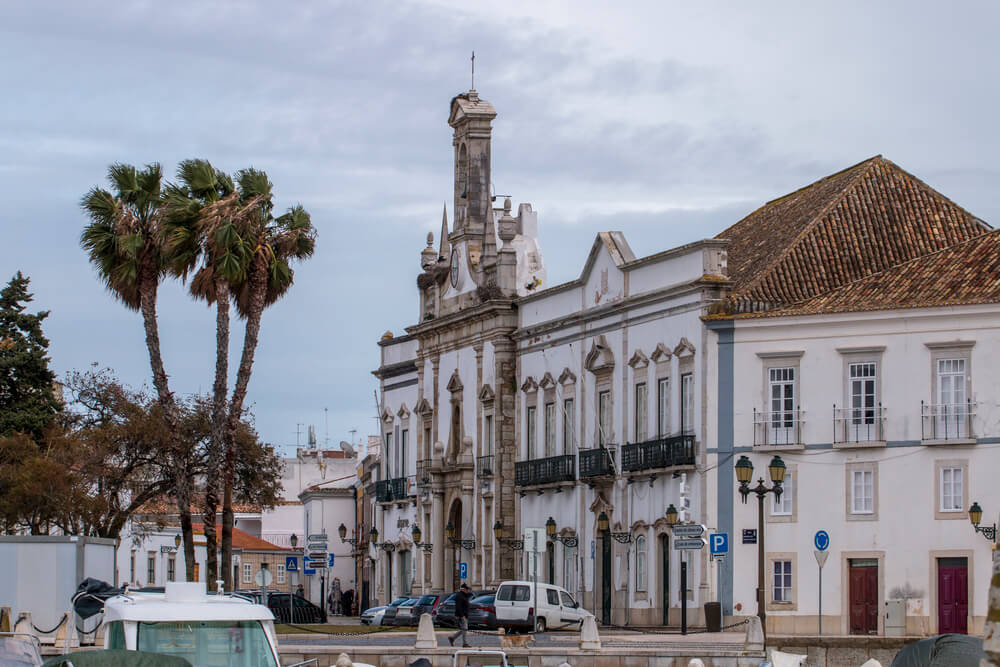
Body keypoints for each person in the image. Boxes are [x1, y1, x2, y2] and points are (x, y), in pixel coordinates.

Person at [448, 583, 472, 648]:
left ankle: (452, 638)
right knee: (464, 629)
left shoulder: (464, 595)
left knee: (464, 629)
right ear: (463, 589)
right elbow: (458, 607)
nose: (468, 591)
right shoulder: (459, 596)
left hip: (464, 615)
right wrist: (462, 616)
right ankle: (465, 643)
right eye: (467, 589)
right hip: (461, 615)